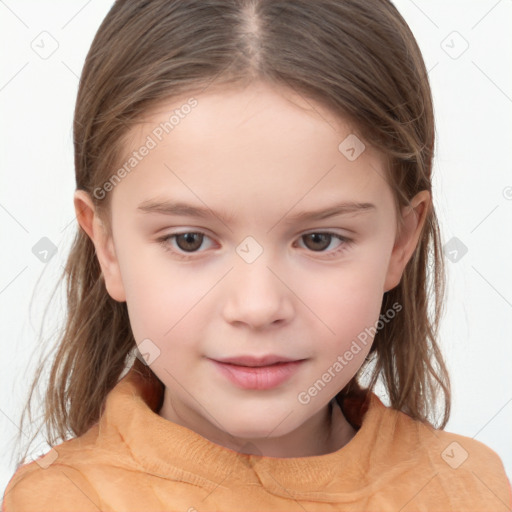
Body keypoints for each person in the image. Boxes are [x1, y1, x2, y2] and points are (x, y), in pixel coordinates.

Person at [3, 0, 511, 510]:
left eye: (319, 239)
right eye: (189, 240)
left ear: (401, 242)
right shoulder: (61, 500)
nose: (257, 306)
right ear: (107, 247)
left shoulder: (469, 489)